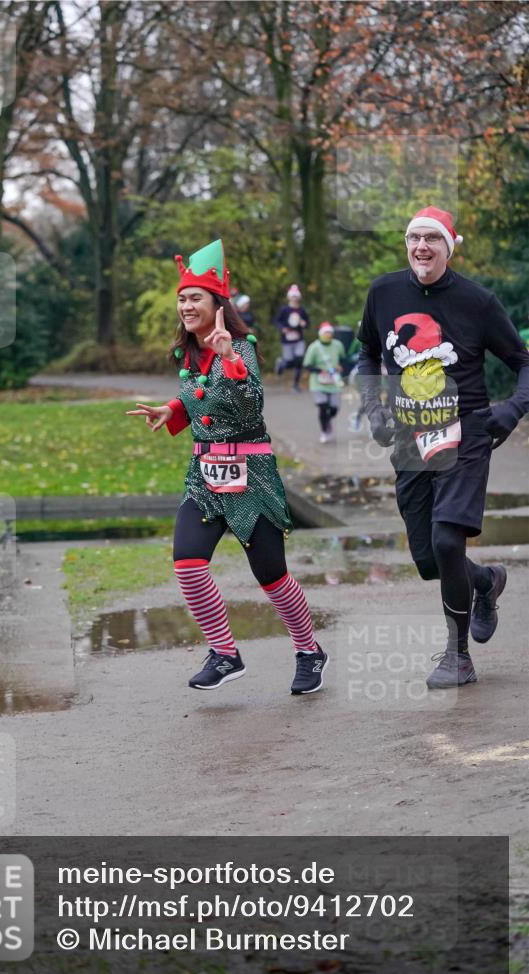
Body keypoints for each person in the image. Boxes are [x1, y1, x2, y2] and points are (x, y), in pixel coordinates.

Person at [126, 239, 328, 695]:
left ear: (219, 303)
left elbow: (249, 403)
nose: (186, 305)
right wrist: (173, 410)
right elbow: (202, 400)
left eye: (195, 297)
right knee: (188, 564)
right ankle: (225, 653)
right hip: (205, 477)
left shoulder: (242, 347)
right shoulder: (188, 353)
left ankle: (309, 651)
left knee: (272, 576)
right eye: (181, 298)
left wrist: (231, 359)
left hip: (250, 479)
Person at [358, 205, 529, 689]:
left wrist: (512, 410)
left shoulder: (478, 301)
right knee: (431, 561)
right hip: (410, 436)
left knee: (448, 540)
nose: (421, 247)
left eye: (432, 238)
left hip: (467, 431)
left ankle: (458, 658)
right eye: (414, 237)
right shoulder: (383, 291)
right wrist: (374, 409)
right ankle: (485, 581)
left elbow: (523, 361)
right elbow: (368, 352)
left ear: (448, 247)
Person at [302, 322, 346, 443]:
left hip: (334, 382)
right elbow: (307, 365)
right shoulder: (314, 347)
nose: (329, 335)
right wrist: (319, 370)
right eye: (326, 333)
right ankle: (324, 431)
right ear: (321, 334)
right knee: (323, 407)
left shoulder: (338, 345)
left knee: (333, 409)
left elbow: (343, 359)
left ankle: (327, 421)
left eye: (330, 333)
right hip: (318, 383)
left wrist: (340, 366)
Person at [273, 284, 310, 391]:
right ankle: (281, 364)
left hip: (299, 339)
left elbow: (307, 324)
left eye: (296, 296)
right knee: (289, 362)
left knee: (299, 360)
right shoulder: (284, 310)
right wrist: (282, 328)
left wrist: (304, 323)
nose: (294, 298)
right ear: (289, 297)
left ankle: (296, 384)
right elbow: (276, 321)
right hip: (287, 340)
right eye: (292, 296)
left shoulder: (302, 310)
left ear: (299, 298)